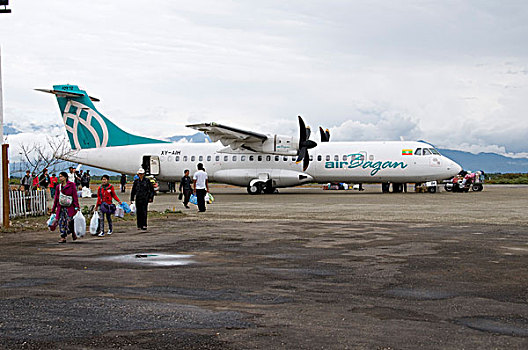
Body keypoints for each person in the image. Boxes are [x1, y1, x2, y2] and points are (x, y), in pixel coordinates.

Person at [51, 171, 80, 243]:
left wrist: (77, 206)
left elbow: (75, 196)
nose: (60, 178)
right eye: (59, 176)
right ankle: (63, 236)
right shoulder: (58, 187)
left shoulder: (72, 185)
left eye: (61, 176)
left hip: (70, 207)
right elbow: (56, 198)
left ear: (65, 177)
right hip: (61, 207)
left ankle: (73, 232)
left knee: (70, 221)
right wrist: (53, 208)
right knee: (61, 222)